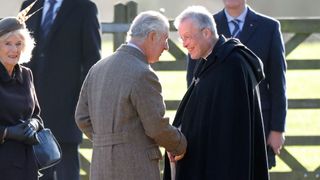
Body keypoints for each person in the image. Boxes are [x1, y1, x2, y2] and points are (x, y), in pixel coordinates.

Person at [75, 11, 187, 180]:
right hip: (136, 168)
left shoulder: (97, 68)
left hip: (100, 167)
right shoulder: (143, 73)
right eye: (165, 39)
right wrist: (180, 145)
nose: (166, 46)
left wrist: (108, 143)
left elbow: (82, 118)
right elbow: (156, 126)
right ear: (152, 36)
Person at [163, 6, 269, 180]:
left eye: (187, 37)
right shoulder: (209, 62)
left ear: (206, 32)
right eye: (182, 38)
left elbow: (229, 130)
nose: (184, 44)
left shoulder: (232, 65)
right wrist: (179, 140)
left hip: (224, 166)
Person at [186, 0, 287, 168]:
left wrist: (278, 128)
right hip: (215, 123)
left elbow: (278, 83)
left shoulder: (269, 27)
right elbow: (193, 82)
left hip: (257, 122)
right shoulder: (203, 25)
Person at [20, 0, 101, 179]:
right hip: (32, 106)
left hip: (68, 104)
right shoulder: (30, 5)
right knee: (37, 166)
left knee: (67, 166)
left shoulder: (84, 8)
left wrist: (84, 101)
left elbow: (92, 59)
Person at [0, 16, 44, 179]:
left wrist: (33, 124)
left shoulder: (26, 75)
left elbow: (36, 115)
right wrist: (7, 133)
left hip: (26, 164)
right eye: (8, 43)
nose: (14, 50)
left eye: (18, 44)